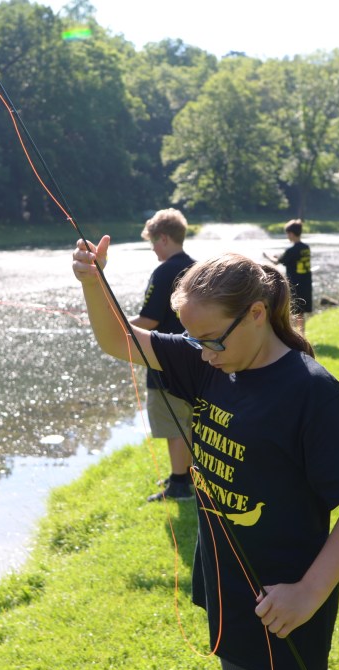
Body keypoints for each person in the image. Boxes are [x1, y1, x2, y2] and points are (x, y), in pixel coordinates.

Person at [73, 237, 339, 670]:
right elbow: (121, 341)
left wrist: (308, 592)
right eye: (194, 340)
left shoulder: (312, 393)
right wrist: (92, 282)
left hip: (283, 602)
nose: (203, 352)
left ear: (256, 314)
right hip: (226, 586)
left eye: (211, 340)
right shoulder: (212, 360)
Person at [131, 208, 196, 502]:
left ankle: (179, 484)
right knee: (188, 420)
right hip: (196, 358)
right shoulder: (196, 268)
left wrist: (113, 324)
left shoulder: (164, 271)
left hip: (166, 360)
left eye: (153, 242)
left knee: (173, 425)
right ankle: (188, 474)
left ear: (165, 238)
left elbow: (149, 320)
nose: (153, 249)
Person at [263, 219, 312, 336]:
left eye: (287, 233)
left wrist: (267, 256)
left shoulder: (291, 250)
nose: (287, 236)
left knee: (294, 310)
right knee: (301, 312)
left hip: (295, 284)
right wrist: (279, 257)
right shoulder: (305, 248)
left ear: (291, 233)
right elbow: (289, 259)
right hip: (306, 282)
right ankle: (302, 334)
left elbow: (276, 262)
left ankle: (294, 335)